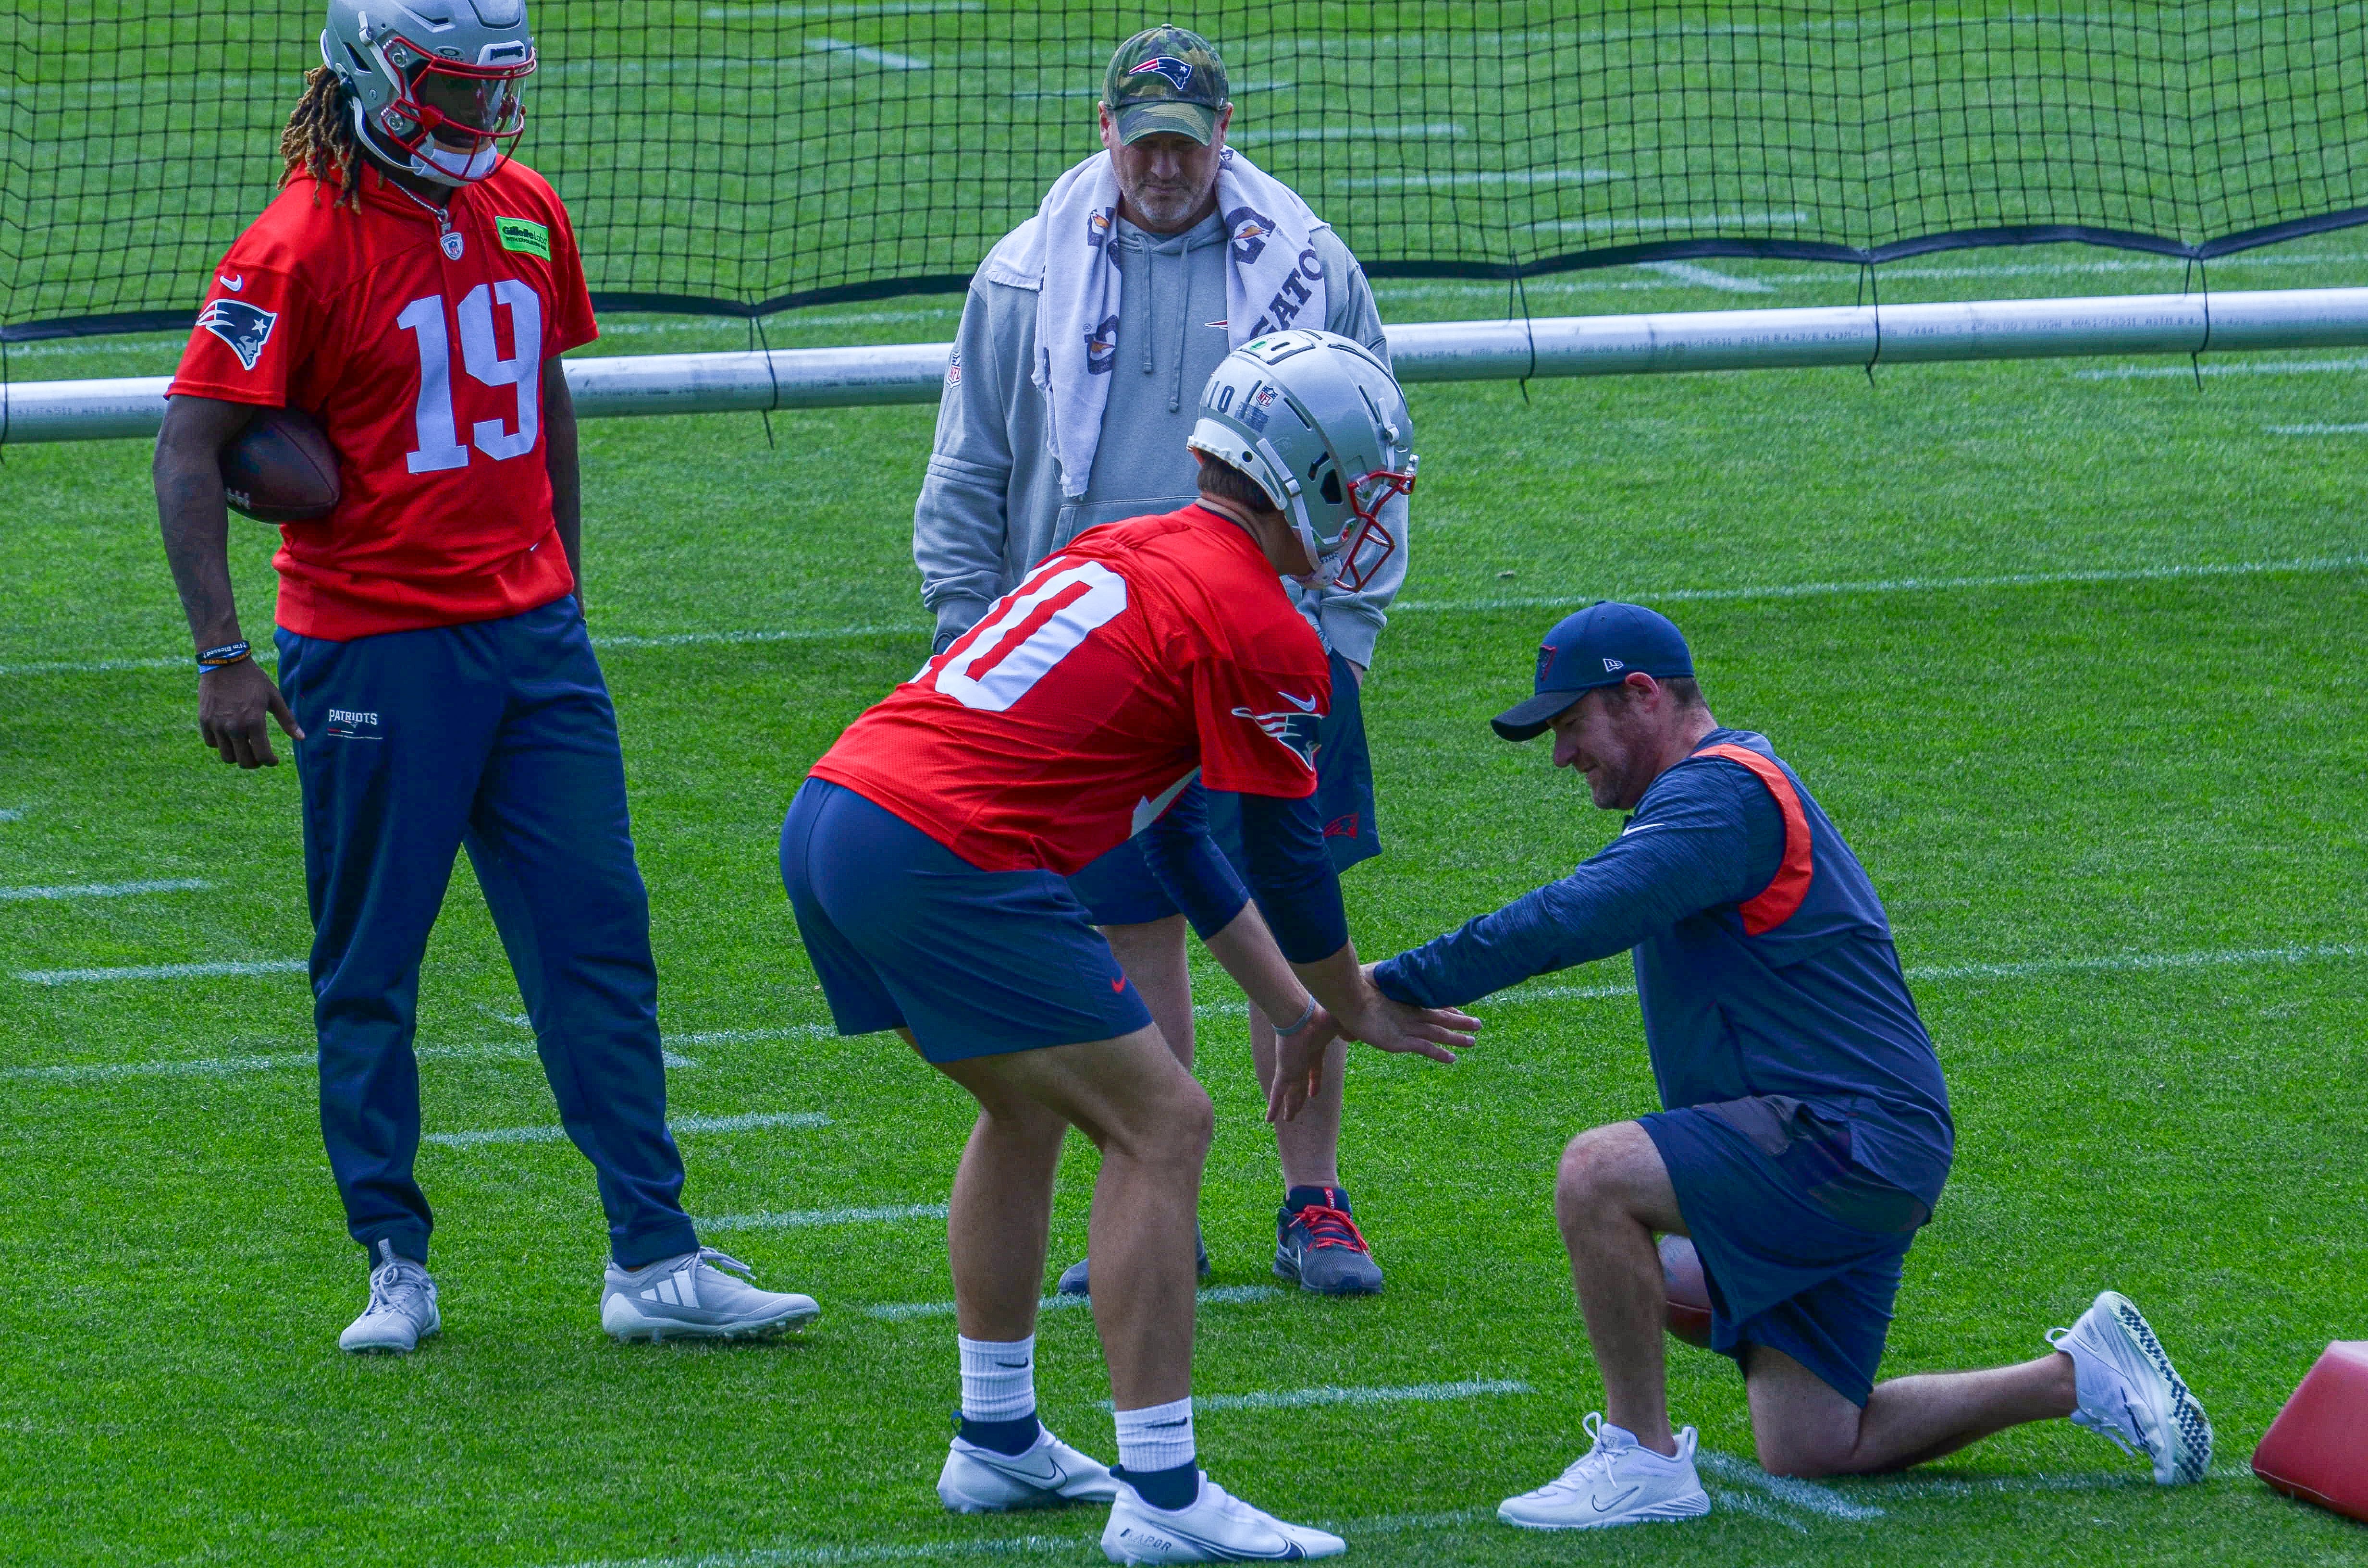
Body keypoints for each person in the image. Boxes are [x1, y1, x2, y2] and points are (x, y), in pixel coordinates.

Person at [151, 0, 814, 1354]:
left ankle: (655, 1256)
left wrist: (561, 578)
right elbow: (187, 449)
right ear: (379, 79)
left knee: (598, 944)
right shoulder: (294, 243)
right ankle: (394, 1258)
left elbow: (548, 395)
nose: (483, 116)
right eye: (455, 88)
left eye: (494, 86)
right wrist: (223, 654)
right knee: (373, 962)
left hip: (531, 642)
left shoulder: (525, 206)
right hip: (374, 643)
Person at [786, 331, 1473, 1560]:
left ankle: (994, 1439)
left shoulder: (1130, 547)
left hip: (841, 816)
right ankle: (1161, 1497)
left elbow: (1172, 849)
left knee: (1028, 1108)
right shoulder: (1258, 622)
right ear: (1310, 474)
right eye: (1365, 483)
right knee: (1167, 1123)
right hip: (943, 847)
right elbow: (1287, 859)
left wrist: (1299, 1009)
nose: (1371, 511)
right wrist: (1354, 997)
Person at [1366, 602, 2214, 1530]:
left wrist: (1380, 985)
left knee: (1598, 1175)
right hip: (1872, 1140)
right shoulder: (1728, 788)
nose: (1563, 754)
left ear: (1641, 695)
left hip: (1846, 1136)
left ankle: (1641, 1458)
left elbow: (1576, 917)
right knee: (1816, 1444)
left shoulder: (1718, 795)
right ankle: (2074, 1377)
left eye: (1572, 725)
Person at [913, 24, 1407, 1298]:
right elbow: (967, 477)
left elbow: (1374, 451)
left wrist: (1339, 648)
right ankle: (1159, 1189)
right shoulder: (1024, 278)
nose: (1166, 170)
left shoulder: (1310, 268)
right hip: (1102, 664)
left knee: (1296, 921)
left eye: (1187, 145)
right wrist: (975, 647)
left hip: (1266, 646)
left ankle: (1316, 1203)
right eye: (1146, 146)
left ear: (1223, 139)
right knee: (1134, 928)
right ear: (1106, 133)